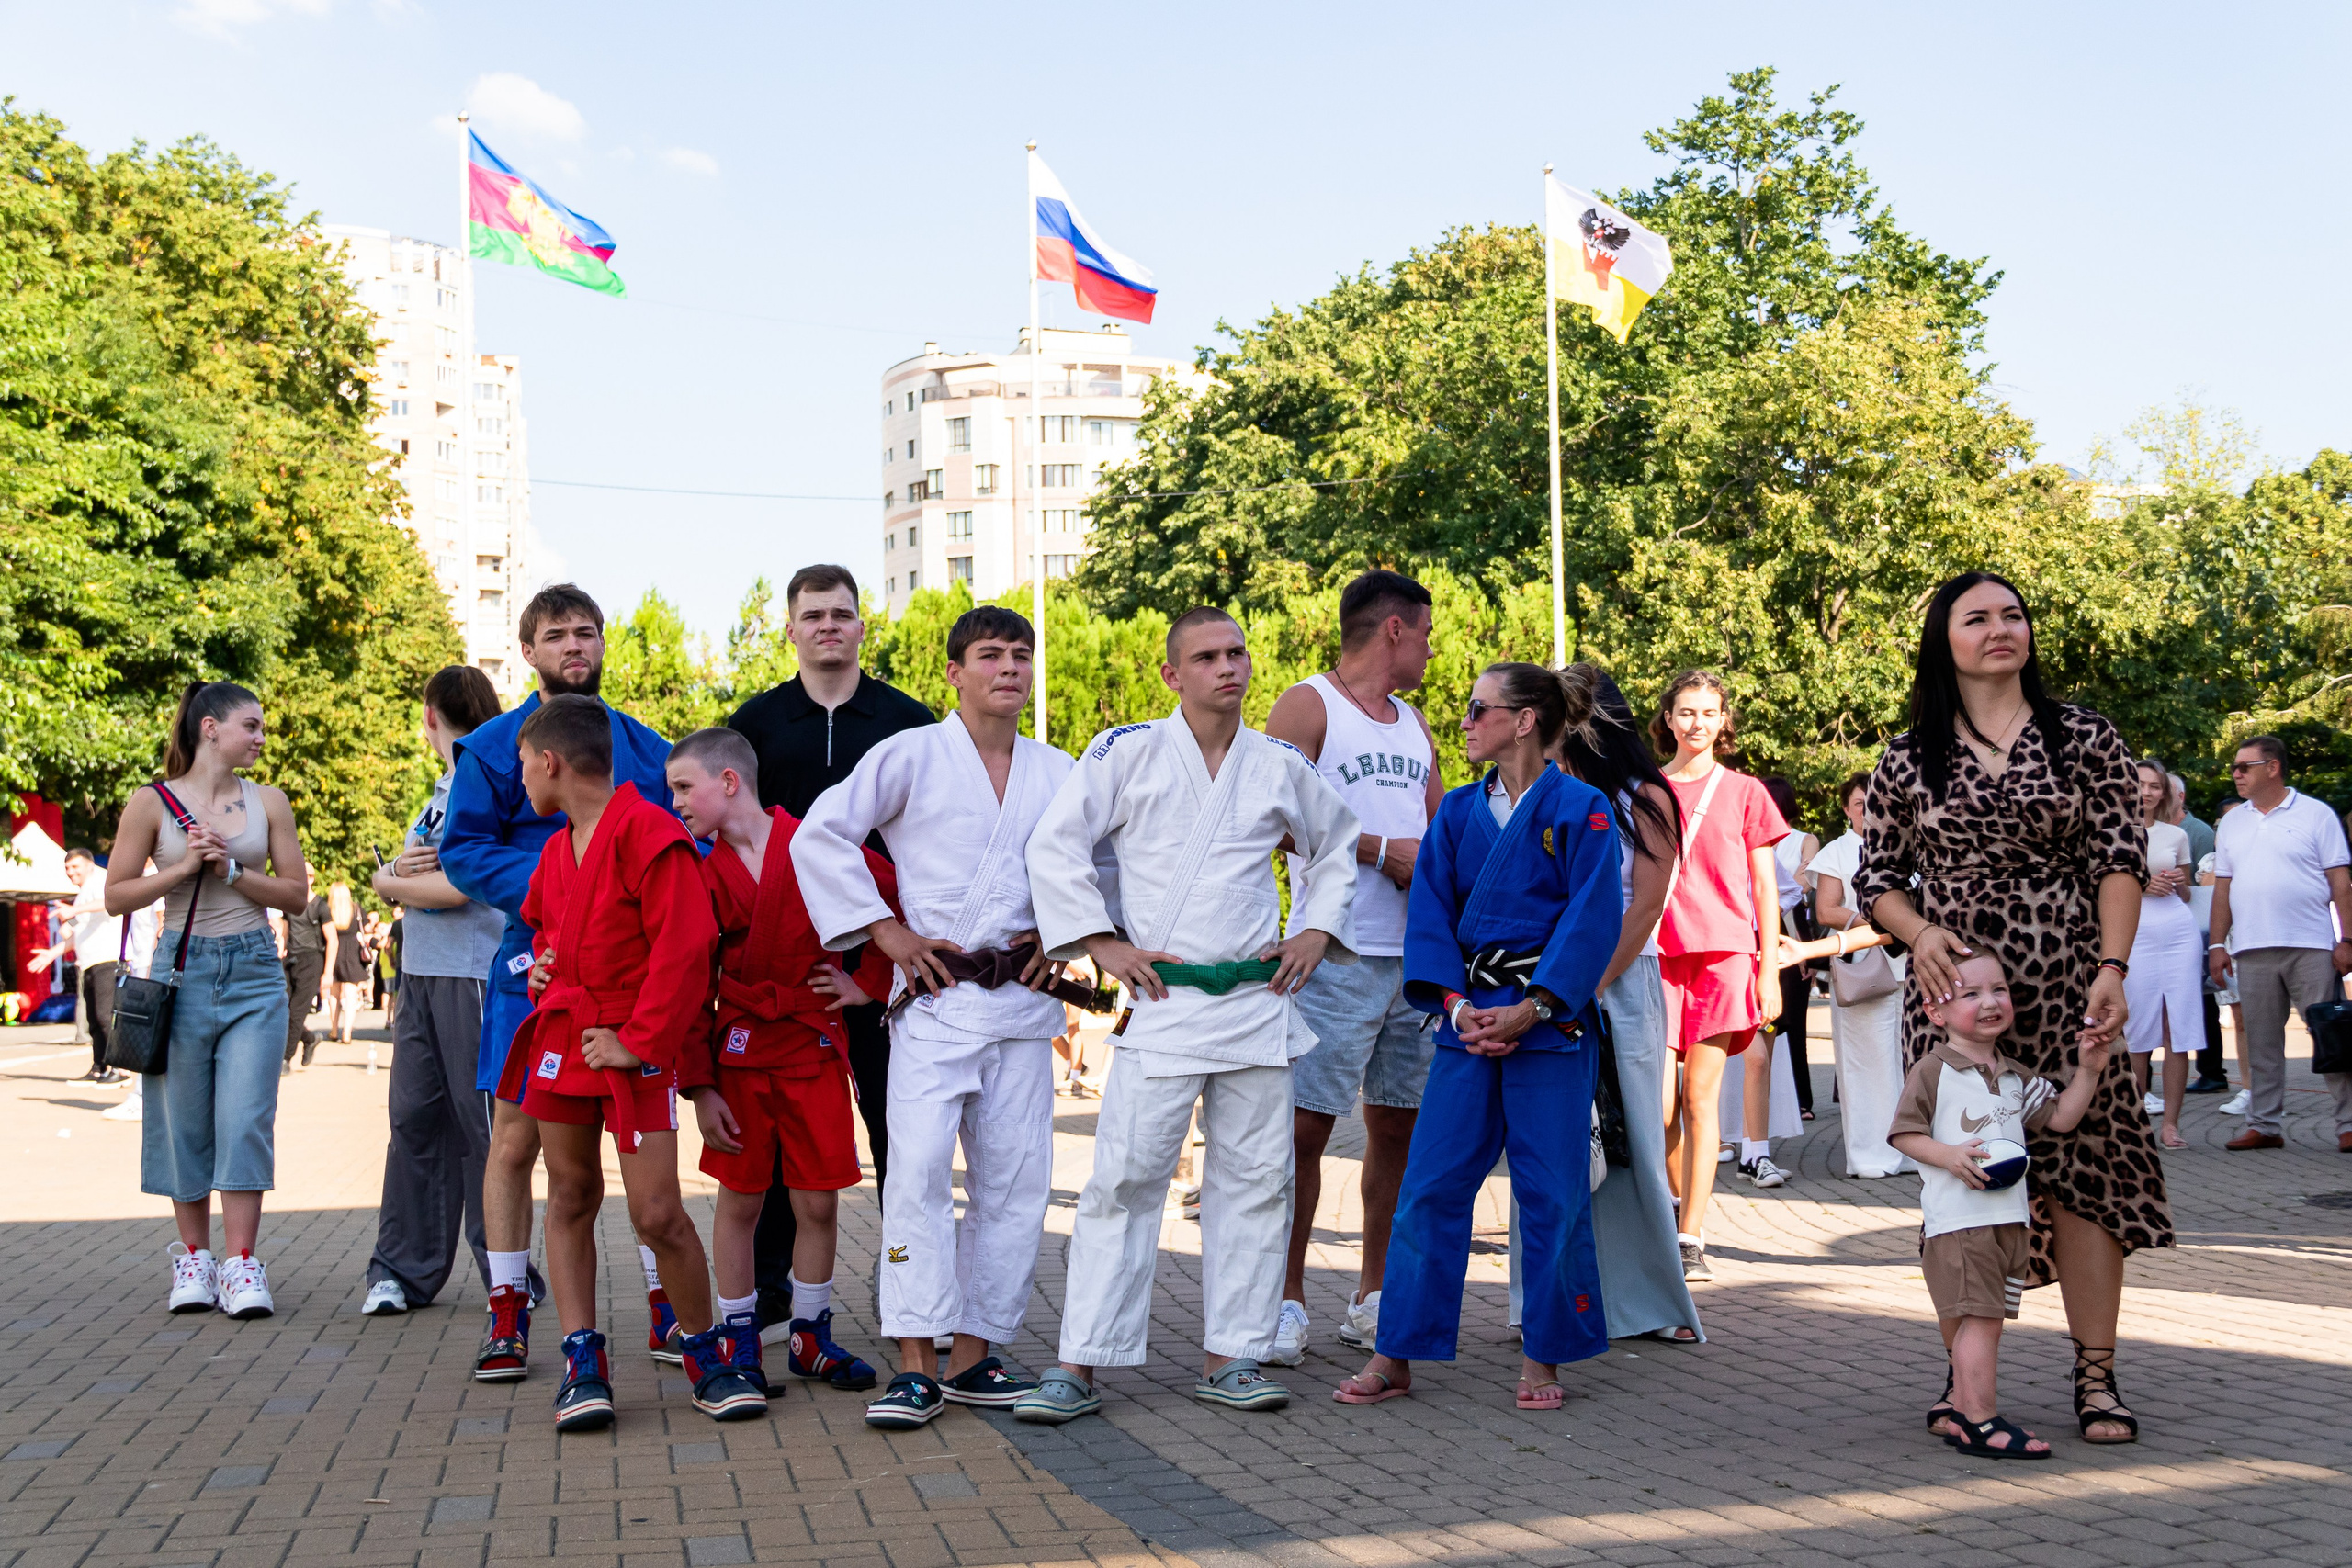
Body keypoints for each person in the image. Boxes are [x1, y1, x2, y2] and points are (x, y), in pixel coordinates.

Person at [1013, 607, 1359, 1424]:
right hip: (1164, 1002)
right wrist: (1102, 940)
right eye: (1206, 656)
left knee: (1255, 1184)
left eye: (1236, 652)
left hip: (1255, 1000)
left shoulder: (1277, 763)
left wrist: (1314, 928)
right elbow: (1055, 845)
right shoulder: (1124, 751)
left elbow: (1337, 845)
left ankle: (1233, 1355)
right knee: (1123, 1182)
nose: (1227, 668)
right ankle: (1081, 1362)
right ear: (1173, 674)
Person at [1854, 570, 2167, 1446]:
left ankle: (2096, 1375)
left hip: (2069, 972)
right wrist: (1917, 936)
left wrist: (2114, 964)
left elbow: (2117, 857)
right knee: (1962, 1182)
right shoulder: (1910, 754)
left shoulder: (2083, 737)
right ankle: (1969, 1383)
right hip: (1955, 992)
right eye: (1978, 617)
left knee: (2086, 1173)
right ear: (1943, 639)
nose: (2002, 629)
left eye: (2014, 615)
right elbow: (1875, 878)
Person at [795, 606, 1088, 1428]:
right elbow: (821, 834)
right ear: (954, 672)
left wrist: (1065, 933)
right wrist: (884, 930)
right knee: (918, 1173)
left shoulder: (1060, 771)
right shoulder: (910, 754)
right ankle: (915, 1360)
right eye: (990, 655)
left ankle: (973, 1354)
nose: (1009, 668)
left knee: (1016, 1182)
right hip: (933, 1004)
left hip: (1024, 1009)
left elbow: (1105, 859)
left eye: (1021, 655)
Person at [1331, 662, 1621, 1411]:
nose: (1462, 722)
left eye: (1476, 710)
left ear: (1523, 720)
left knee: (1551, 1192)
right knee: (1429, 1189)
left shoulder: (1584, 809)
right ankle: (1395, 1351)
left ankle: (1544, 1357)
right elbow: (1428, 915)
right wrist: (1457, 1007)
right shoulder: (1457, 814)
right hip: (1466, 1023)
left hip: (1549, 1024)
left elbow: (1594, 918)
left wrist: (1535, 1006)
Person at [441, 583, 681, 1382]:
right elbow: (465, 851)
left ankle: (666, 1304)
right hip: (530, 965)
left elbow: (683, 843)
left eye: (587, 633)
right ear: (528, 651)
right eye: (557, 636)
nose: (574, 646)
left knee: (641, 1143)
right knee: (514, 1141)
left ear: (604, 644)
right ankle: (507, 1305)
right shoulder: (491, 749)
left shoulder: (644, 746)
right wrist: (564, 892)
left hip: (630, 976)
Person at [503, 695, 741, 1429]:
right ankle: (583, 1357)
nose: (521, 780)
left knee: (657, 1211)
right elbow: (546, 927)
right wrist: (543, 965)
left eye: (522, 766)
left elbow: (685, 945)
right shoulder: (556, 847)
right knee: (568, 1192)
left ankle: (704, 1348)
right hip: (564, 1042)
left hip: (630, 1047)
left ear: (549, 763)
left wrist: (639, 1039)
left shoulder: (649, 832)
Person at [725, 564, 935, 1337]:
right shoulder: (755, 724)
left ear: (860, 626)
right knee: (781, 1138)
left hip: (886, 957)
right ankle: (775, 1294)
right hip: (788, 966)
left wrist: (883, 967)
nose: (828, 626)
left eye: (842, 614)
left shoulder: (909, 722)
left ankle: (907, 1282)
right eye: (812, 614)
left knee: (897, 1127)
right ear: (790, 628)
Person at [669, 727, 893, 1413]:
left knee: (818, 1199)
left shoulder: (816, 843)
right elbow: (685, 982)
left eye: (683, 786)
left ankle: (810, 1334)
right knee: (741, 1198)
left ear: (729, 782)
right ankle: (738, 1338)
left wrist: (870, 982)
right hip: (738, 1049)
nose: (673, 801)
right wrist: (700, 1086)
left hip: (811, 1041)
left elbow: (898, 897)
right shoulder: (698, 870)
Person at [1259, 570, 1445, 1367]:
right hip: (1332, 950)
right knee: (1303, 1130)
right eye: (1427, 634)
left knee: (1398, 1127)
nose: (1433, 651)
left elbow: (1442, 832)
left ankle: (1373, 1295)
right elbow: (1266, 819)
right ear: (1394, 630)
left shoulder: (1415, 723)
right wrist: (1375, 851)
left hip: (1415, 958)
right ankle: (1284, 1298)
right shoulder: (1308, 705)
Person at [104, 681, 310, 1318]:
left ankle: (242, 1263)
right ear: (211, 728)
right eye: (252, 725)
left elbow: (297, 893)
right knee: (183, 1121)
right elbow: (116, 894)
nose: (261, 737)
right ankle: (195, 1258)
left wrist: (232, 871)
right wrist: (183, 868)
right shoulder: (151, 803)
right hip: (180, 973)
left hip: (253, 972)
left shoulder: (268, 801)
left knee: (245, 1116)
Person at [1535, 665, 1705, 1342]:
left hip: (1623, 984)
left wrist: (1589, 982)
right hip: (1555, 983)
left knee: (1632, 1135)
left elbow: (1647, 907)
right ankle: (1545, 1299)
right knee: (1553, 1145)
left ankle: (1650, 1303)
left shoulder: (1649, 798)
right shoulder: (1551, 793)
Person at [1887, 953, 2111, 1459]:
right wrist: (1947, 1155)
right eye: (1970, 994)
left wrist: (2090, 1069)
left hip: (2008, 1222)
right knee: (1981, 1320)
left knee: (1985, 1319)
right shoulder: (1934, 1070)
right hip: (1962, 1224)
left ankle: (1967, 1415)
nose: (1990, 1002)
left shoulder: (2013, 1076)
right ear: (1935, 1012)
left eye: (1999, 990)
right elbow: (1903, 1132)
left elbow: (2059, 1119)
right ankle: (1980, 1421)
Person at [360, 664, 510, 1318]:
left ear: (429, 715)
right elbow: (419, 870)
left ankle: (505, 1271)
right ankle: (401, 1269)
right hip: (421, 971)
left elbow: (459, 887)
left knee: (484, 1130)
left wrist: (384, 883)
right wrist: (393, 872)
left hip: (472, 972)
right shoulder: (443, 787)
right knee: (414, 1121)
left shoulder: (489, 781)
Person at [1651, 671, 1788, 1280]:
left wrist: (1769, 970)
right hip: (1654, 955)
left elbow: (1765, 886)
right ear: (1668, 718)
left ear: (1724, 721)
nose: (1697, 722)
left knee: (1699, 1097)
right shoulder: (1645, 790)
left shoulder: (1748, 792)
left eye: (1709, 712)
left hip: (1724, 955)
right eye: (1686, 711)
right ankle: (1669, 1206)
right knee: (1656, 1106)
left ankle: (1691, 1235)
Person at [2206, 734, 2352, 1153]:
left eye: (2243, 767)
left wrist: (2347, 939)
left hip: (2311, 944)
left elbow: (2340, 883)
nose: (2235, 774)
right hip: (2251, 946)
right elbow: (2222, 889)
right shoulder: (2232, 822)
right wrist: (2218, 945)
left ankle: (2348, 1124)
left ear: (2273, 767)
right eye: (2234, 767)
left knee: (2330, 1034)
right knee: (2262, 1041)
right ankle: (2264, 1125)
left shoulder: (2316, 814)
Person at [1810, 773, 1912, 1179]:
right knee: (1864, 1063)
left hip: (1911, 965)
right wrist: (1870, 921)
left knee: (1909, 1061)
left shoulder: (1909, 845)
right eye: (1858, 803)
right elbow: (1825, 910)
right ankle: (1871, 1156)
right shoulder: (1837, 851)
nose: (1867, 810)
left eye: (1873, 801)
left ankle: (1913, 1151)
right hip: (1861, 967)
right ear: (1846, 809)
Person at [2124, 760, 2199, 1150]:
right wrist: (2140, 886)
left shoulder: (2176, 835)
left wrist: (2179, 884)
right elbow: (2095, 889)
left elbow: (2187, 893)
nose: (2148, 792)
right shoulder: (2113, 833)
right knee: (2137, 1033)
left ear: (2164, 793)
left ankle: (2170, 1124)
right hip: (2133, 935)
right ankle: (2136, 1125)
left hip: (2178, 933)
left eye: (2155, 786)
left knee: (2176, 1031)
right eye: (2141, 784)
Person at [29, 847, 141, 1084]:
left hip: (108, 958)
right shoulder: (82, 894)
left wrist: (74, 910)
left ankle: (121, 1070)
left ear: (90, 864)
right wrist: (51, 954)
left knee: (105, 1015)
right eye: (67, 868)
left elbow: (111, 901)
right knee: (93, 1018)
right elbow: (76, 935)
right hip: (89, 961)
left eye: (75, 866)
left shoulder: (101, 879)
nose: (71, 872)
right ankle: (99, 1067)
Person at [1763, 776, 1819, 1122]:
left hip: (1797, 935)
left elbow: (1805, 883)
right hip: (1766, 934)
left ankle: (1802, 1098)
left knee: (1794, 1022)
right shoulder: (1753, 840)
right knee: (1768, 1024)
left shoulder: (1804, 840)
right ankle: (1767, 1098)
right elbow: (1793, 884)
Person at [2171, 773, 2230, 1096]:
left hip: (2199, 927)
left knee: (2206, 1003)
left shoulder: (2198, 832)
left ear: (2179, 797)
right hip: (2172, 928)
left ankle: (2212, 1070)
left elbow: (2208, 883)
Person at [282, 869, 326, 1070]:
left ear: (312, 878)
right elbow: (285, 928)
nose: (303, 878)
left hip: (312, 959)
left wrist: (328, 972)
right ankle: (309, 1038)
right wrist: (281, 948)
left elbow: (332, 939)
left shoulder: (320, 906)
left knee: (296, 1013)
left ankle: (285, 1059)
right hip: (290, 958)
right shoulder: (290, 903)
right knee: (282, 1010)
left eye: (307, 875)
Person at [323, 884, 370, 1049]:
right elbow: (366, 929)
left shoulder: (327, 910)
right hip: (352, 954)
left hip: (333, 953)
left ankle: (334, 1030)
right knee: (351, 995)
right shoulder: (357, 909)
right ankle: (347, 1033)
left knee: (334, 994)